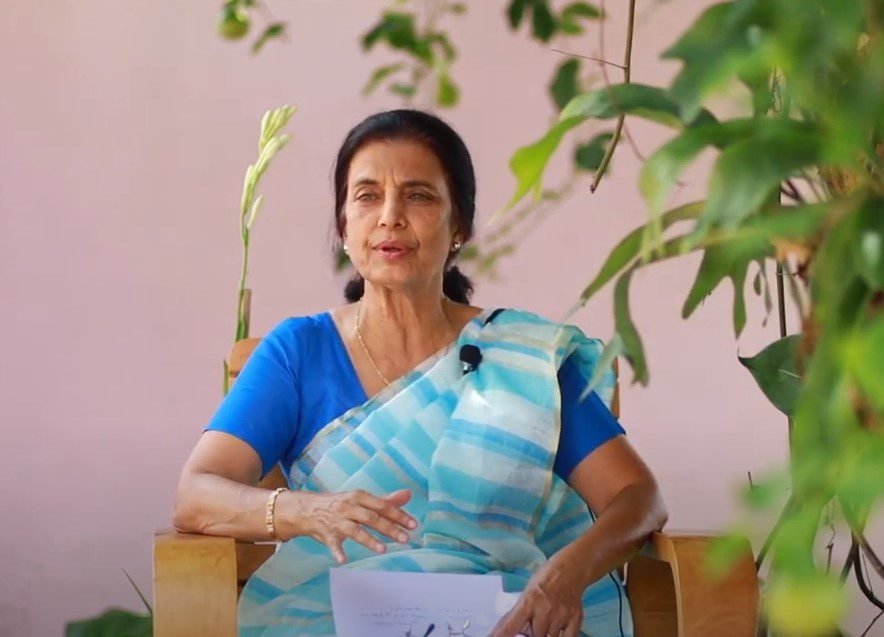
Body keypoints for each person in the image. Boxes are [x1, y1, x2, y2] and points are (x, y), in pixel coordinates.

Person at [173, 109, 668, 637]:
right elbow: (197, 493)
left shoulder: (522, 359)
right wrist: (307, 512)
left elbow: (638, 498)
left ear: (459, 227)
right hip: (330, 621)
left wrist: (566, 575)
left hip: (502, 620)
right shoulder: (298, 352)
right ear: (344, 226)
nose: (390, 216)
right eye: (367, 196)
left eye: (418, 196)